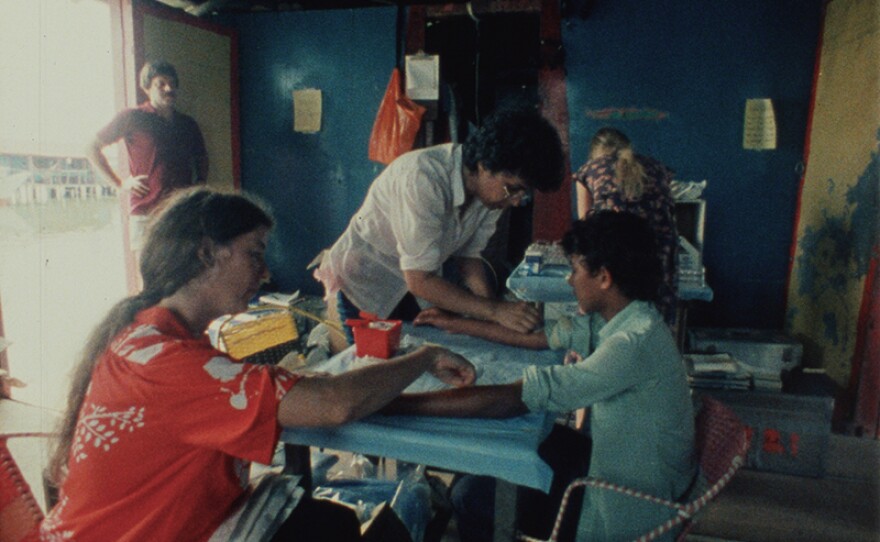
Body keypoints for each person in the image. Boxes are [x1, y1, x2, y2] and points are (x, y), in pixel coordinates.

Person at [41, 187, 476, 542]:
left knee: (329, 522)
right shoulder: (168, 363)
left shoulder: (146, 337)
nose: (265, 272)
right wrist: (423, 357)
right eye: (254, 253)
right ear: (206, 255)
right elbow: (333, 404)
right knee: (334, 529)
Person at [387, 211, 696, 542]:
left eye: (574, 270)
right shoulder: (626, 317)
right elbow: (537, 337)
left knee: (473, 495)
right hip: (618, 460)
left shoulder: (631, 344)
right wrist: (456, 323)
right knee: (484, 460)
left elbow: (514, 399)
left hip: (625, 501)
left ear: (604, 278)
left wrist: (394, 402)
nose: (569, 281)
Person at [314, 108, 565, 349]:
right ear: (484, 165)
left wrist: (495, 314)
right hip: (365, 281)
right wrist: (495, 311)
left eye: (523, 192)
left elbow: (469, 258)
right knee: (367, 365)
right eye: (513, 188)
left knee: (411, 352)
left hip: (409, 284)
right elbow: (420, 280)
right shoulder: (423, 179)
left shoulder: (491, 195)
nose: (517, 200)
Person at [86, 60, 209, 256]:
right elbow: (91, 148)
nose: (169, 88)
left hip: (181, 212)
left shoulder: (188, 124)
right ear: (147, 88)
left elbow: (201, 157)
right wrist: (120, 184)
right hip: (145, 213)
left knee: (181, 269)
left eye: (172, 83)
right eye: (161, 84)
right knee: (147, 271)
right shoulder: (132, 117)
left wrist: (199, 184)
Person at [573, 127, 678, 326]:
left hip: (617, 251)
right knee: (654, 322)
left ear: (594, 153)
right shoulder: (657, 167)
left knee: (611, 321)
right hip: (660, 253)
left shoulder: (590, 169)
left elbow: (586, 228)